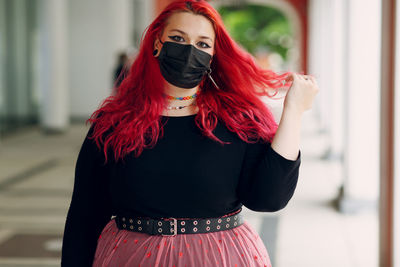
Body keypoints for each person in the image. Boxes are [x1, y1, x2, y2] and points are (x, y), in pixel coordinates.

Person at [61, 0, 319, 266]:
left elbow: (269, 199)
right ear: (156, 43)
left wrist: (294, 112)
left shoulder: (237, 119)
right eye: (177, 38)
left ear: (213, 55)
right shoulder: (114, 122)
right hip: (130, 258)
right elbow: (85, 215)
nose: (189, 51)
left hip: (221, 258)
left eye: (203, 44)